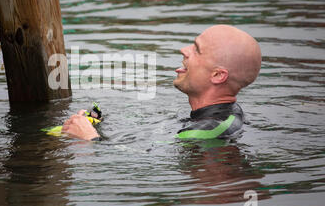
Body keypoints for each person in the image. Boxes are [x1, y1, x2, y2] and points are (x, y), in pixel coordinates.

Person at [62, 25, 262, 141]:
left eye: (197, 50)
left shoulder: (206, 131)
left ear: (218, 76)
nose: (184, 50)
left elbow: (139, 164)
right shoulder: (219, 118)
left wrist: (90, 139)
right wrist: (96, 126)